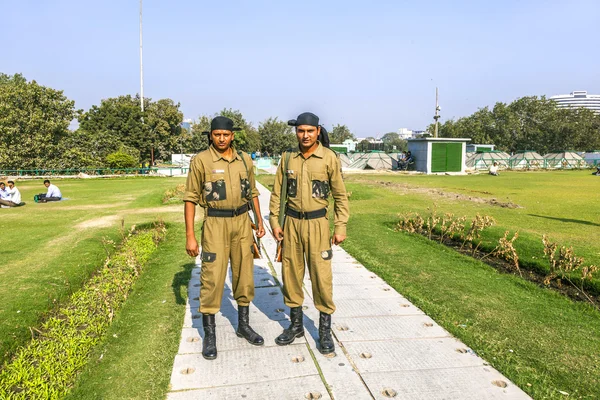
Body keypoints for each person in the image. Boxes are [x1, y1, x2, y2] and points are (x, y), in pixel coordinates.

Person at [183, 116, 266, 360]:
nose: (221, 138)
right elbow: (190, 198)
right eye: (217, 134)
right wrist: (190, 236)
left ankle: (243, 325)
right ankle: (210, 335)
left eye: (226, 135)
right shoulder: (201, 161)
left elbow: (252, 192)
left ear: (232, 136)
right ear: (210, 135)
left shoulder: (244, 160)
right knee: (212, 276)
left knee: (244, 274)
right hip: (215, 224)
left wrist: (259, 222)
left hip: (242, 223)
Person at [269, 112, 349, 354]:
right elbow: (277, 192)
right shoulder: (288, 158)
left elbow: (340, 195)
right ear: (296, 132)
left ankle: (325, 330)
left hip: (318, 225)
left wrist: (340, 225)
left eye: (309, 131)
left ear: (317, 131)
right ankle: (296, 325)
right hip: (292, 224)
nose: (304, 135)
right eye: (300, 131)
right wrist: (275, 221)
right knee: (291, 275)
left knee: (321, 278)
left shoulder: (329, 158)